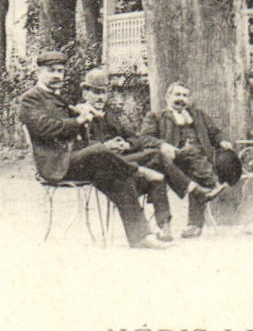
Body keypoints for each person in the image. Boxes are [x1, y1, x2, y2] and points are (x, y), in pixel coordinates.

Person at [18, 51, 171, 250]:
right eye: (51, 71)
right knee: (99, 150)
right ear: (39, 72)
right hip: (56, 164)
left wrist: (86, 116)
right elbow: (46, 128)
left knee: (116, 176)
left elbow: (76, 130)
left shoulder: (59, 99)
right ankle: (137, 170)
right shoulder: (30, 99)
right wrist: (79, 120)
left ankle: (141, 236)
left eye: (60, 71)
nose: (57, 75)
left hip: (75, 159)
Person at [140, 80, 234, 239]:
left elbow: (215, 132)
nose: (181, 99)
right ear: (167, 97)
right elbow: (144, 138)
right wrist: (162, 145)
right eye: (177, 94)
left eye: (185, 96)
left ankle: (194, 226)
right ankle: (210, 185)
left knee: (196, 159)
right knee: (191, 157)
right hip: (171, 162)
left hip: (195, 162)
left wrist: (222, 141)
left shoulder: (198, 115)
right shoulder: (156, 116)